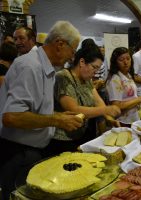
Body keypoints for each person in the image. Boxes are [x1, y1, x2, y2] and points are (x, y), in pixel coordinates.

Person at [0, 21, 83, 200]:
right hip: (17, 152)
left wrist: (59, 116)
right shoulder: (30, 66)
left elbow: (35, 110)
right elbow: (11, 117)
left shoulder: (46, 68)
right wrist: (57, 120)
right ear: (60, 44)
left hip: (31, 151)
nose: (71, 57)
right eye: (73, 50)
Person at [47, 46, 121, 155]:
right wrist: (107, 110)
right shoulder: (63, 77)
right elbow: (74, 109)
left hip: (81, 135)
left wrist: (109, 118)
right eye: (94, 67)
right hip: (63, 140)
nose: (95, 72)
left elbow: (98, 101)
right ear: (82, 62)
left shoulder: (87, 80)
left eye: (98, 69)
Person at [106, 47, 141, 126]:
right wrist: (140, 99)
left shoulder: (128, 75)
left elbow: (131, 98)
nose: (126, 62)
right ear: (115, 62)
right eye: (121, 60)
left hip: (133, 119)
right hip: (123, 121)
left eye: (128, 58)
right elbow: (116, 106)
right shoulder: (115, 79)